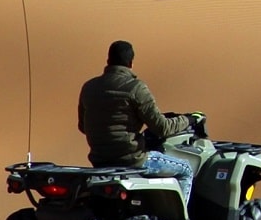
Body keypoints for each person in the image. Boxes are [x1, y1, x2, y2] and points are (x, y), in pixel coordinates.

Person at [77, 41, 197, 205]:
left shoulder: (89, 87)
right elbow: (163, 128)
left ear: (108, 61)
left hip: (99, 161)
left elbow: (83, 127)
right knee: (186, 170)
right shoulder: (135, 88)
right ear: (131, 63)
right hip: (133, 161)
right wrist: (190, 119)